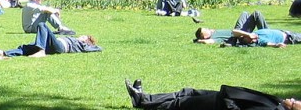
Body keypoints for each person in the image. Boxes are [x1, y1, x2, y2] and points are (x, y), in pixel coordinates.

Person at [123, 79, 301, 110]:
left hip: (220, 104)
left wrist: (226, 103)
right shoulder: (279, 103)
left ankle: (143, 102)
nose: (295, 99)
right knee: (188, 92)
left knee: (181, 104)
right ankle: (142, 98)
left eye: (297, 103)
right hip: (223, 95)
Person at [0, 24, 101, 59]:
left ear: (86, 41)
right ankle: (3, 53)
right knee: (26, 48)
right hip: (51, 44)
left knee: (42, 25)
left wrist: (90, 44)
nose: (81, 36)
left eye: (83, 37)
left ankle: (41, 51)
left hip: (60, 47)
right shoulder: (74, 39)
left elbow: (98, 48)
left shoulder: (83, 45)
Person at [195, 11, 269, 45]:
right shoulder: (215, 38)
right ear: (205, 36)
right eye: (206, 30)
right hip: (239, 35)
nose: (208, 29)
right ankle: (268, 35)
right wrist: (200, 41)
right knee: (256, 14)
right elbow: (207, 42)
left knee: (245, 13)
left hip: (238, 29)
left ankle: (267, 33)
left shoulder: (213, 33)